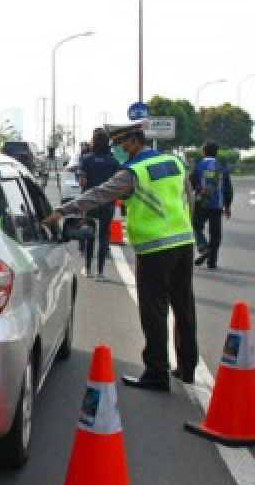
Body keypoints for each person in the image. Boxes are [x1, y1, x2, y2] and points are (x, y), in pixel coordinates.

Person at [44, 122, 199, 390]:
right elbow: (189, 200)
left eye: (122, 145)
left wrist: (64, 210)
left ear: (135, 142)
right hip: (184, 243)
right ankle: (187, 367)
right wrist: (186, 228)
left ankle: (156, 372)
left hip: (154, 248)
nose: (119, 150)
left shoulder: (134, 171)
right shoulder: (175, 163)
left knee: (154, 311)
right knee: (184, 306)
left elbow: (100, 194)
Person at [76, 128, 121, 280]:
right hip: (107, 202)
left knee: (89, 234)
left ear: (93, 142)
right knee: (103, 236)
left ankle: (88, 269)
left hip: (90, 201)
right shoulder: (113, 161)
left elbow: (82, 181)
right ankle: (100, 272)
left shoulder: (86, 159)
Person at [191, 141, 233, 269]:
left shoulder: (199, 166)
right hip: (217, 205)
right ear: (216, 153)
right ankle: (212, 261)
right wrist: (227, 206)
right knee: (215, 233)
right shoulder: (222, 168)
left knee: (196, 227)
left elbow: (192, 182)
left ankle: (203, 247)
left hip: (201, 203)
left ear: (204, 152)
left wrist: (198, 190)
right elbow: (228, 188)